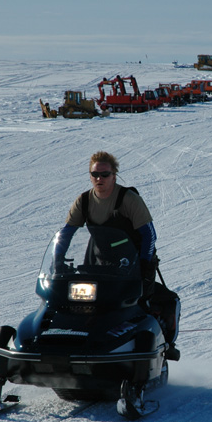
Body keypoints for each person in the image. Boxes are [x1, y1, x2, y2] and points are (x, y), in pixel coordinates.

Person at [56, 151, 180, 359]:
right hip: (97, 262)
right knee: (78, 302)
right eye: (95, 174)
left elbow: (149, 235)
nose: (99, 179)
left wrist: (143, 265)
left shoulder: (128, 199)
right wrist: (58, 259)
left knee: (138, 303)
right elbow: (67, 232)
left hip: (133, 263)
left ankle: (157, 346)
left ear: (114, 175)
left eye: (105, 175)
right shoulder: (84, 201)